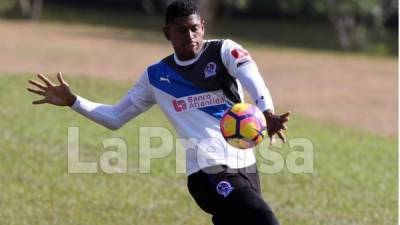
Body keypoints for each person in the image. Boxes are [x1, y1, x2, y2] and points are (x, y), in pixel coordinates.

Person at [27, 0, 290, 224]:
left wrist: (267, 111)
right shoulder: (156, 77)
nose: (190, 37)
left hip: (245, 165)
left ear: (203, 27)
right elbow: (115, 117)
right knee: (264, 218)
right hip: (206, 172)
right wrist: (74, 100)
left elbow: (252, 78)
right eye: (181, 31)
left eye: (194, 28)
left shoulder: (223, 51)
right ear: (167, 33)